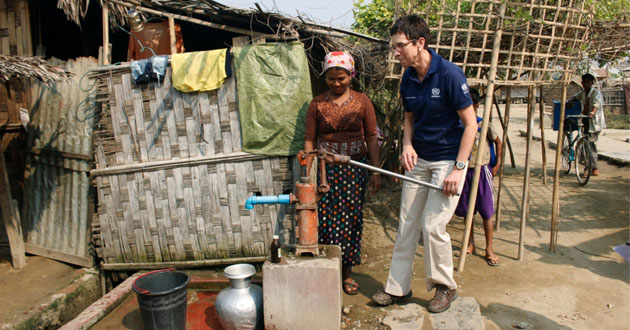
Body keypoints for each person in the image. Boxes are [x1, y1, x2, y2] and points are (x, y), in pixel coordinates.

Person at [371, 15, 477, 313]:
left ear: (420, 43)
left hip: (448, 161)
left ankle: (445, 286)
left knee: (433, 225)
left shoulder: (449, 75)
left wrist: (459, 166)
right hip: (420, 159)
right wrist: (407, 145)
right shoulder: (407, 78)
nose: (396, 53)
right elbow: (409, 118)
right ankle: (398, 288)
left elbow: (470, 125)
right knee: (407, 223)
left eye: (399, 46)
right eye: (393, 47)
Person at [304, 51, 381, 295]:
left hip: (355, 170)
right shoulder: (317, 104)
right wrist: (308, 172)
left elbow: (371, 136)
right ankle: (329, 270)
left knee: (351, 219)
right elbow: (309, 139)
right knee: (325, 220)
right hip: (326, 172)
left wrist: (376, 171)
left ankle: (347, 272)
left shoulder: (363, 101)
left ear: (351, 76)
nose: (337, 84)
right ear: (325, 78)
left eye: (341, 78)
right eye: (331, 79)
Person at [454, 88, 502, 267]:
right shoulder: (458, 124)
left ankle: (489, 249)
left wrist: (496, 165)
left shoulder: (484, 124)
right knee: (467, 210)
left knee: (487, 211)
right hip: (465, 170)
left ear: (476, 106)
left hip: (482, 170)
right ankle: (470, 243)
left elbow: (498, 142)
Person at [567, 73, 605, 176]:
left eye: (588, 82)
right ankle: (589, 166)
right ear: (582, 83)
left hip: (594, 122)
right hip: (586, 121)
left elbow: (596, 104)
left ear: (591, 83)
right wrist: (571, 100)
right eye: (584, 82)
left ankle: (592, 168)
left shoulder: (596, 93)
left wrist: (592, 113)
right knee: (585, 143)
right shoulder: (583, 93)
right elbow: (575, 97)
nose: (586, 84)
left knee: (591, 145)